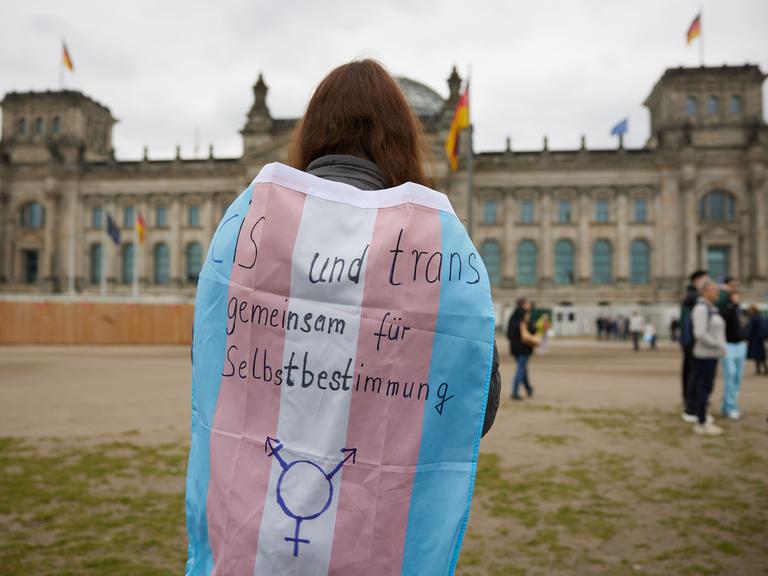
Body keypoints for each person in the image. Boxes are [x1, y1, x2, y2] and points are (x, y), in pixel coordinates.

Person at [285, 60, 502, 436]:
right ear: (404, 139)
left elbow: (213, 366)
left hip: (268, 482)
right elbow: (475, 402)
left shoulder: (251, 224)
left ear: (310, 135)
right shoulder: (437, 242)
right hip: (388, 484)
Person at [691, 279, 727, 435]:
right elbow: (699, 333)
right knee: (703, 387)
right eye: (714, 289)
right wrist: (718, 345)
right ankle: (701, 422)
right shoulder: (701, 309)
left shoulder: (711, 308)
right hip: (704, 354)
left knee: (707, 387)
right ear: (704, 291)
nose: (717, 292)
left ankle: (703, 416)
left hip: (711, 354)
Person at [680, 270, 709, 423]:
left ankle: (691, 402)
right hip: (692, 342)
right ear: (697, 281)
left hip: (689, 341)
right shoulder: (693, 297)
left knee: (690, 372)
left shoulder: (692, 296)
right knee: (694, 374)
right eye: (706, 280)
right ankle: (692, 405)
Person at [720, 290, 747, 419]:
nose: (737, 298)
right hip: (729, 345)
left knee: (737, 377)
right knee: (730, 375)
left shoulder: (739, 310)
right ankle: (730, 407)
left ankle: (728, 405)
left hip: (740, 345)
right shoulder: (727, 310)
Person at [507, 298, 540, 400]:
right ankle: (515, 392)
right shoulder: (525, 315)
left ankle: (529, 389)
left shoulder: (513, 316)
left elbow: (508, 333)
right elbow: (531, 330)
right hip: (524, 347)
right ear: (523, 305)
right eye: (527, 303)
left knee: (523, 368)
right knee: (521, 369)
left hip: (514, 347)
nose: (529, 305)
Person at [746, 305, 767, 375]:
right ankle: (764, 369)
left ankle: (759, 370)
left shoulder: (753, 318)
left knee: (757, 355)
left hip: (755, 339)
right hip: (760, 339)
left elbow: (751, 329)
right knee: (761, 355)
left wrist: (747, 336)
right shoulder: (760, 316)